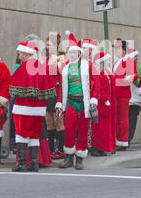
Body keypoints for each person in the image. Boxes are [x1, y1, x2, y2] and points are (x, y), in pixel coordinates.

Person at [9, 41, 57, 172]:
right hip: (39, 109)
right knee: (34, 136)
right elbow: (49, 88)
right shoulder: (41, 67)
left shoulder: (23, 68)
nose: (19, 56)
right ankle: (34, 164)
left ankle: (22, 163)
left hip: (24, 108)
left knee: (21, 134)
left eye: (20, 54)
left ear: (26, 53)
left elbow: (14, 89)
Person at [55, 31, 99, 170]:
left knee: (83, 130)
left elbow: (96, 83)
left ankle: (79, 158)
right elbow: (62, 88)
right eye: (70, 52)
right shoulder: (66, 68)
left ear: (79, 53)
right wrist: (60, 104)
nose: (72, 55)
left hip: (84, 102)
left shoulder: (89, 66)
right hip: (71, 102)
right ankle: (68, 157)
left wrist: (93, 99)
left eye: (74, 52)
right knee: (69, 129)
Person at [113, 38, 138, 151]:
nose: (115, 51)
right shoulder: (117, 61)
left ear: (123, 49)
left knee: (122, 119)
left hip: (123, 94)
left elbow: (132, 77)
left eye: (117, 48)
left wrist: (115, 82)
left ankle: (123, 141)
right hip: (116, 93)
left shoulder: (128, 61)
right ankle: (118, 140)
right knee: (118, 118)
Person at [45, 33, 67, 159]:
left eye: (50, 45)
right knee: (49, 123)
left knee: (58, 122)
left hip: (57, 94)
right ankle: (50, 149)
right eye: (47, 45)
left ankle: (60, 149)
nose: (47, 47)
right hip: (47, 94)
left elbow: (60, 76)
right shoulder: (47, 59)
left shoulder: (61, 58)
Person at [90, 52, 116, 156]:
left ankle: (103, 147)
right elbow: (98, 89)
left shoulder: (107, 72)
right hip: (102, 104)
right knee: (99, 127)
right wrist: (105, 99)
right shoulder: (99, 74)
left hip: (109, 104)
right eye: (107, 60)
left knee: (106, 128)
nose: (109, 61)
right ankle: (96, 147)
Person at [127, 49, 141, 145]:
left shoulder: (139, 68)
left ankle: (129, 139)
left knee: (132, 120)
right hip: (126, 98)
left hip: (135, 99)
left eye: (137, 56)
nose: (137, 58)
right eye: (135, 56)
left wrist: (135, 79)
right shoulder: (125, 67)